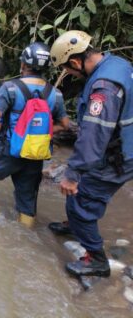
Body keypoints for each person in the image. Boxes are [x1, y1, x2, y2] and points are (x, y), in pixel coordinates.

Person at [48, 30, 133, 278]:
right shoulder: (117, 64)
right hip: (122, 145)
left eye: (70, 70)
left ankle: (96, 260)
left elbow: (94, 136)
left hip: (120, 154)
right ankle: (76, 228)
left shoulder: (103, 88)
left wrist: (72, 174)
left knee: (80, 200)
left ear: (75, 62)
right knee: (87, 190)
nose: (72, 75)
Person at [0, 42, 70, 227]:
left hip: (10, 149)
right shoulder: (55, 93)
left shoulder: (10, 88)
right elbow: (64, 124)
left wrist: (4, 131)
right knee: (27, 197)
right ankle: (25, 233)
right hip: (36, 152)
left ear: (24, 65)